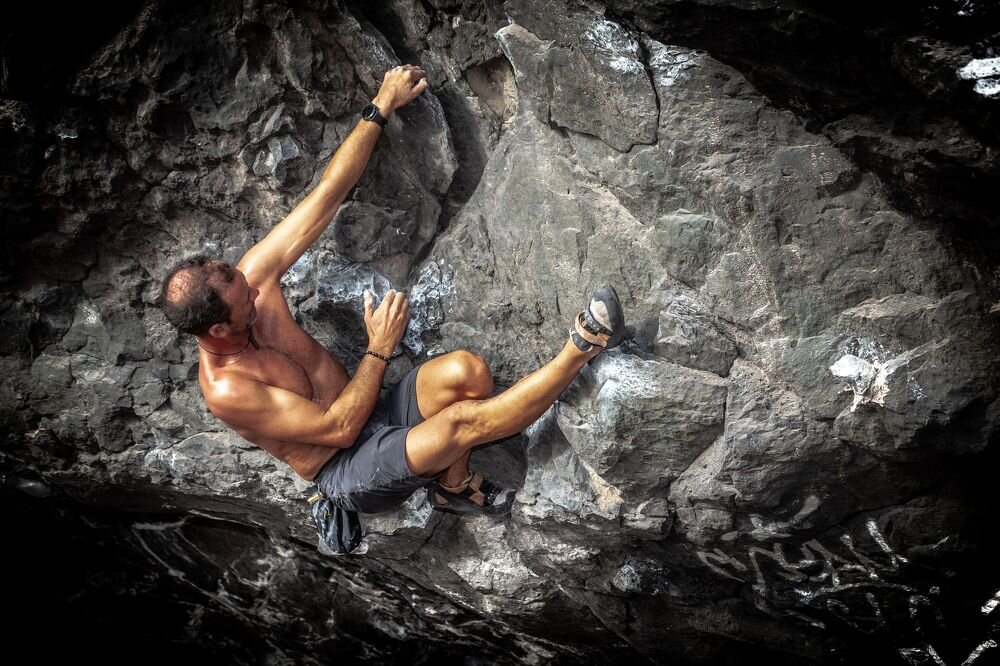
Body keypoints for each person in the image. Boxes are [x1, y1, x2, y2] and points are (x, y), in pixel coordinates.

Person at [160, 65, 626, 519]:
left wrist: (381, 105)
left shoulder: (251, 279)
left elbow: (328, 193)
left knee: (468, 373)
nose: (259, 295)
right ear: (219, 327)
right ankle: (582, 349)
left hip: (375, 410)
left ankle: (453, 486)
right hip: (347, 467)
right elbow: (338, 430)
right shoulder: (228, 389)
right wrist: (379, 348)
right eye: (248, 302)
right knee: (461, 423)